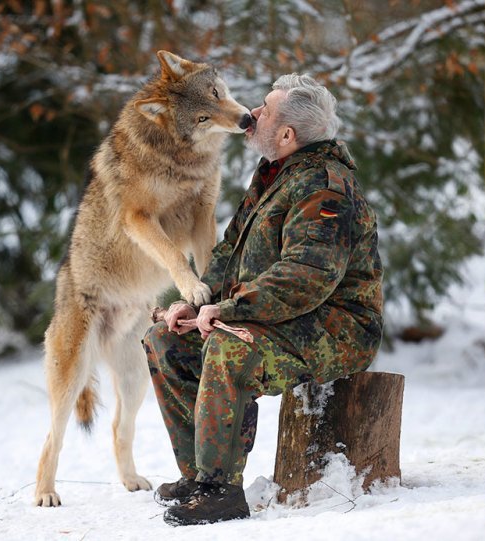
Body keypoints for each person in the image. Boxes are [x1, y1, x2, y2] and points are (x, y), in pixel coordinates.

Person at [142, 74, 383, 527]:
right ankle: (198, 477)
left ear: (288, 135)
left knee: (230, 346)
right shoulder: (274, 174)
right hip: (280, 317)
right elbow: (228, 252)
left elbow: (306, 277)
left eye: (265, 110)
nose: (251, 114)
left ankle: (220, 491)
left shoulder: (324, 187)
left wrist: (229, 312)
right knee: (164, 340)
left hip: (338, 327)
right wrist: (196, 302)